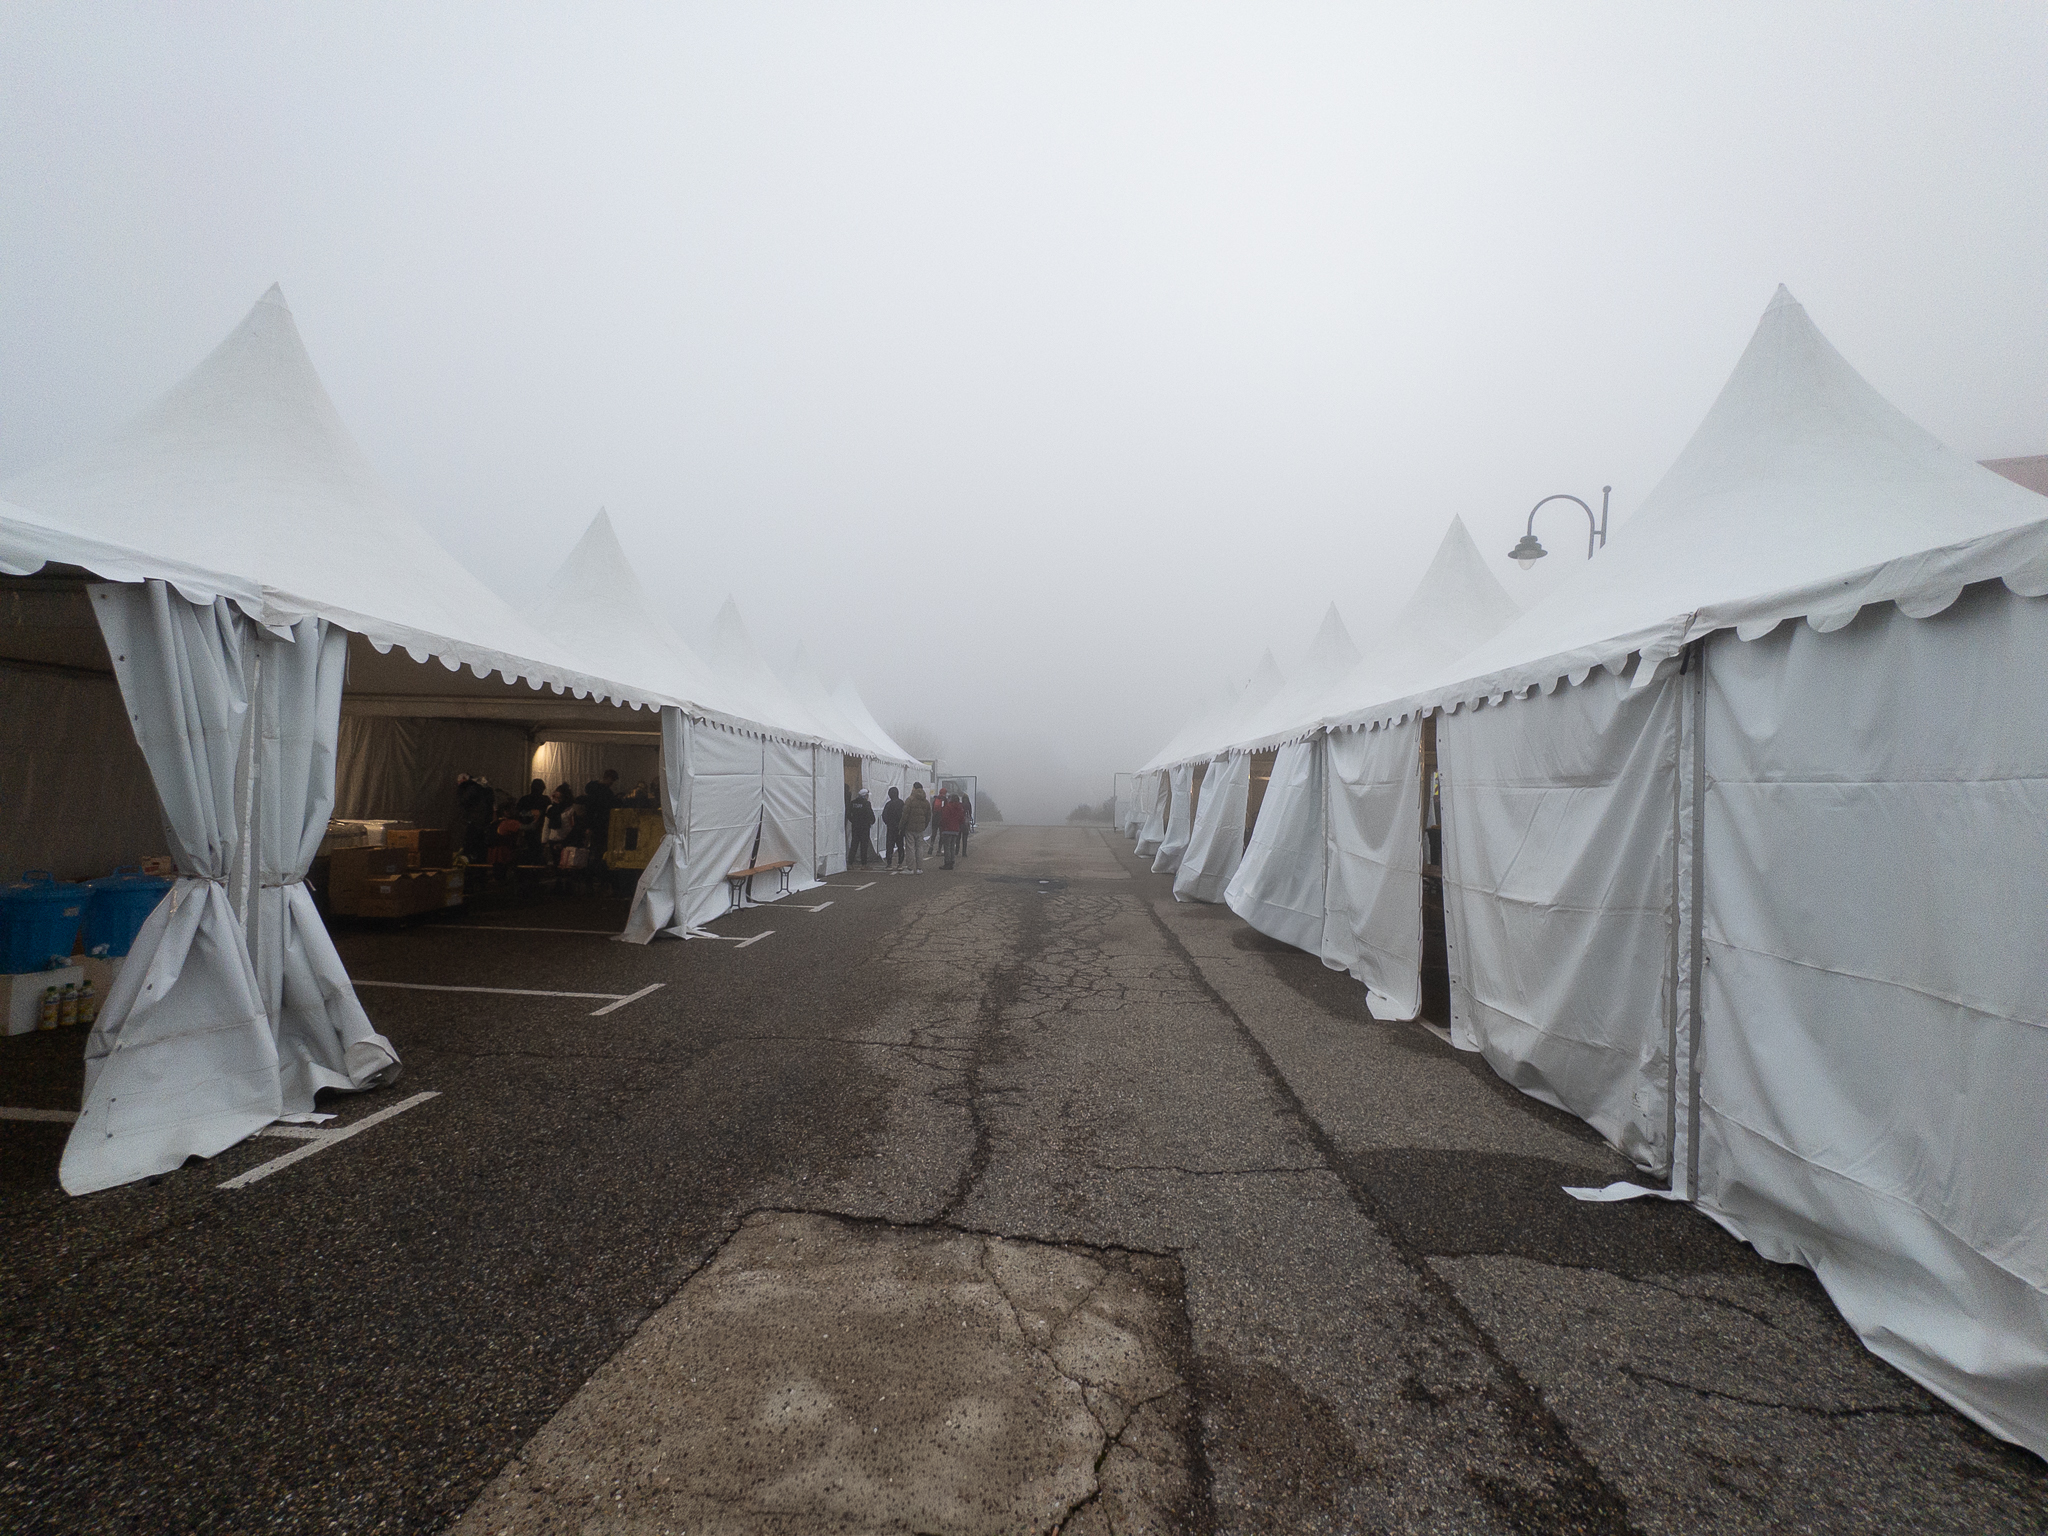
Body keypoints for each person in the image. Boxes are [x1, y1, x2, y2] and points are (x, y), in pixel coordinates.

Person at [899, 783, 931, 873]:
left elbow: (905, 815)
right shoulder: (926, 801)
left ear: (914, 788)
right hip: (920, 828)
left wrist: (901, 826)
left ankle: (910, 868)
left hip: (910, 827)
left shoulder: (910, 800)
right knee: (919, 847)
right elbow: (928, 816)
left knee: (910, 847)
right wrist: (924, 825)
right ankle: (919, 868)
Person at [936, 788, 968, 870]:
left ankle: (947, 862)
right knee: (952, 846)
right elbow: (962, 819)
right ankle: (952, 861)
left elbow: (944, 818)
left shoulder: (948, 807)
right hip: (955, 830)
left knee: (947, 847)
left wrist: (942, 825)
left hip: (947, 829)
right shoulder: (960, 807)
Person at [846, 791, 877, 867]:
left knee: (854, 845)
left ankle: (850, 863)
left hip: (855, 826)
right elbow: (870, 814)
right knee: (864, 846)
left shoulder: (853, 803)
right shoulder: (866, 803)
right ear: (865, 795)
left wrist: (853, 820)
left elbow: (848, 814)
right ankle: (864, 864)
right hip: (864, 827)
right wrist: (871, 821)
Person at [880, 785, 905, 868]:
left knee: (889, 845)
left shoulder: (888, 804)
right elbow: (904, 815)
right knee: (900, 845)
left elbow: (884, 816)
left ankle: (889, 863)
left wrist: (888, 823)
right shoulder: (901, 803)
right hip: (899, 828)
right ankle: (900, 863)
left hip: (890, 827)